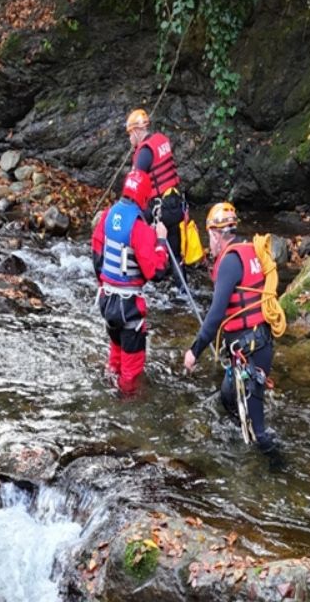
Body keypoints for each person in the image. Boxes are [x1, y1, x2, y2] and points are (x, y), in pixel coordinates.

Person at [183, 202, 279, 455]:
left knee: (258, 431)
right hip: (257, 344)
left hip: (251, 351)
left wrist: (194, 351)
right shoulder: (249, 251)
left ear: (216, 234)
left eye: (209, 237)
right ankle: (236, 444)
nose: (209, 244)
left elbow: (215, 316)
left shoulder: (228, 262)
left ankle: (279, 472)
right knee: (228, 397)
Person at [91, 169, 170, 394]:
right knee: (131, 371)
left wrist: (106, 285)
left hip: (107, 302)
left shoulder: (107, 215)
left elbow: (97, 257)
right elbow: (156, 271)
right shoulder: (140, 228)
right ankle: (127, 407)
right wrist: (161, 241)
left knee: (115, 354)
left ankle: (108, 387)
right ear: (144, 197)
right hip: (129, 307)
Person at [127, 108, 186, 269]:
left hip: (161, 209)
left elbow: (135, 184)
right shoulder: (160, 141)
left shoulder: (145, 152)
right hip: (175, 204)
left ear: (137, 131)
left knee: (134, 226)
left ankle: (146, 269)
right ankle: (179, 284)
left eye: (130, 134)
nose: (130, 138)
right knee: (174, 249)